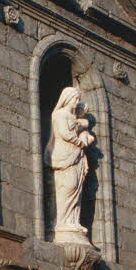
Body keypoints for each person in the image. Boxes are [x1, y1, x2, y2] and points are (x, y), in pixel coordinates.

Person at [48, 86, 95, 235]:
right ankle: (63, 222)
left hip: (77, 155)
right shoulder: (60, 114)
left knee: (77, 188)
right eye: (75, 99)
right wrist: (81, 141)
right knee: (68, 186)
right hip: (65, 154)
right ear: (67, 98)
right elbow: (64, 134)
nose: (76, 102)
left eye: (78, 100)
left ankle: (73, 221)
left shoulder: (74, 117)